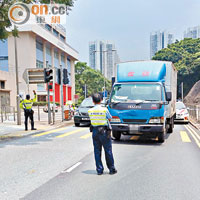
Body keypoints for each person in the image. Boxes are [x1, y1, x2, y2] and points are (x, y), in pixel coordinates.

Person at [88, 93, 117, 175]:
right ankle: (111, 169)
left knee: (97, 151)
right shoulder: (104, 109)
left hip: (95, 131)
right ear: (101, 100)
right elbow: (110, 118)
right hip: (104, 131)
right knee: (108, 150)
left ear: (93, 101)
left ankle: (99, 170)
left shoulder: (90, 111)